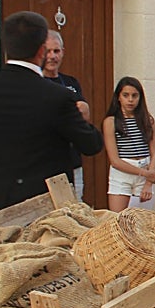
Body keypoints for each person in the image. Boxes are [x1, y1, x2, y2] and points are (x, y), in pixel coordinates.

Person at [0, 11, 103, 216]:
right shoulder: (58, 97)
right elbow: (91, 145)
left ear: (6, 47)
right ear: (41, 51)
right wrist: (84, 119)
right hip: (43, 207)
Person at [41, 30, 90, 198]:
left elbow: (83, 115)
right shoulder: (35, 83)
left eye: (56, 51)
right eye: (48, 51)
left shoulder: (71, 83)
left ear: (63, 52)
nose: (52, 56)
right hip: (44, 164)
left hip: (72, 162)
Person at [102, 77, 155, 211]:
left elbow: (154, 154)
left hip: (145, 169)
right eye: (126, 95)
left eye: (134, 96)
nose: (130, 100)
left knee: (141, 221)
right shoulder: (111, 122)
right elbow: (115, 160)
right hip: (123, 172)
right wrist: (144, 174)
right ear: (118, 97)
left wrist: (149, 182)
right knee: (118, 219)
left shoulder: (148, 120)